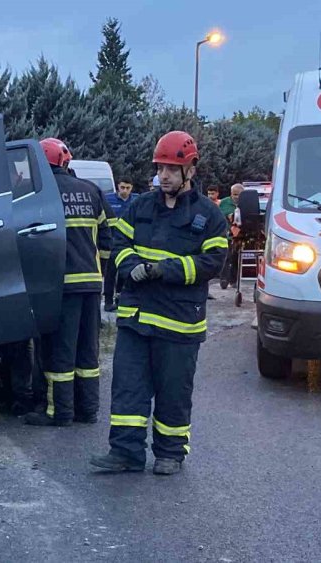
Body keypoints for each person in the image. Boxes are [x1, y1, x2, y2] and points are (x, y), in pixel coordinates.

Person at [89, 131, 228, 475]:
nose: (163, 175)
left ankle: (170, 453)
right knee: (128, 388)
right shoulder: (140, 206)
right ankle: (125, 452)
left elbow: (213, 262)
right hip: (136, 318)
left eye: (171, 168)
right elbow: (118, 241)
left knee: (173, 392)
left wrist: (163, 270)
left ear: (190, 170)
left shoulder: (209, 216)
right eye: (160, 167)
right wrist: (131, 266)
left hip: (179, 323)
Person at [25, 138, 106, 427]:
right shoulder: (92, 191)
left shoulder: (40, 196)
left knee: (60, 350)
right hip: (91, 284)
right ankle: (88, 410)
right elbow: (107, 242)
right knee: (87, 349)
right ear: (65, 161)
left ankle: (60, 412)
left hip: (60, 286)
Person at [103, 181, 139, 312]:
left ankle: (120, 299)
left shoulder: (136, 200)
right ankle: (108, 301)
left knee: (124, 273)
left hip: (129, 244)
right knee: (110, 273)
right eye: (122, 187)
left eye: (128, 188)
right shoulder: (109, 199)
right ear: (118, 187)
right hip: (112, 242)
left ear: (131, 188)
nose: (125, 190)